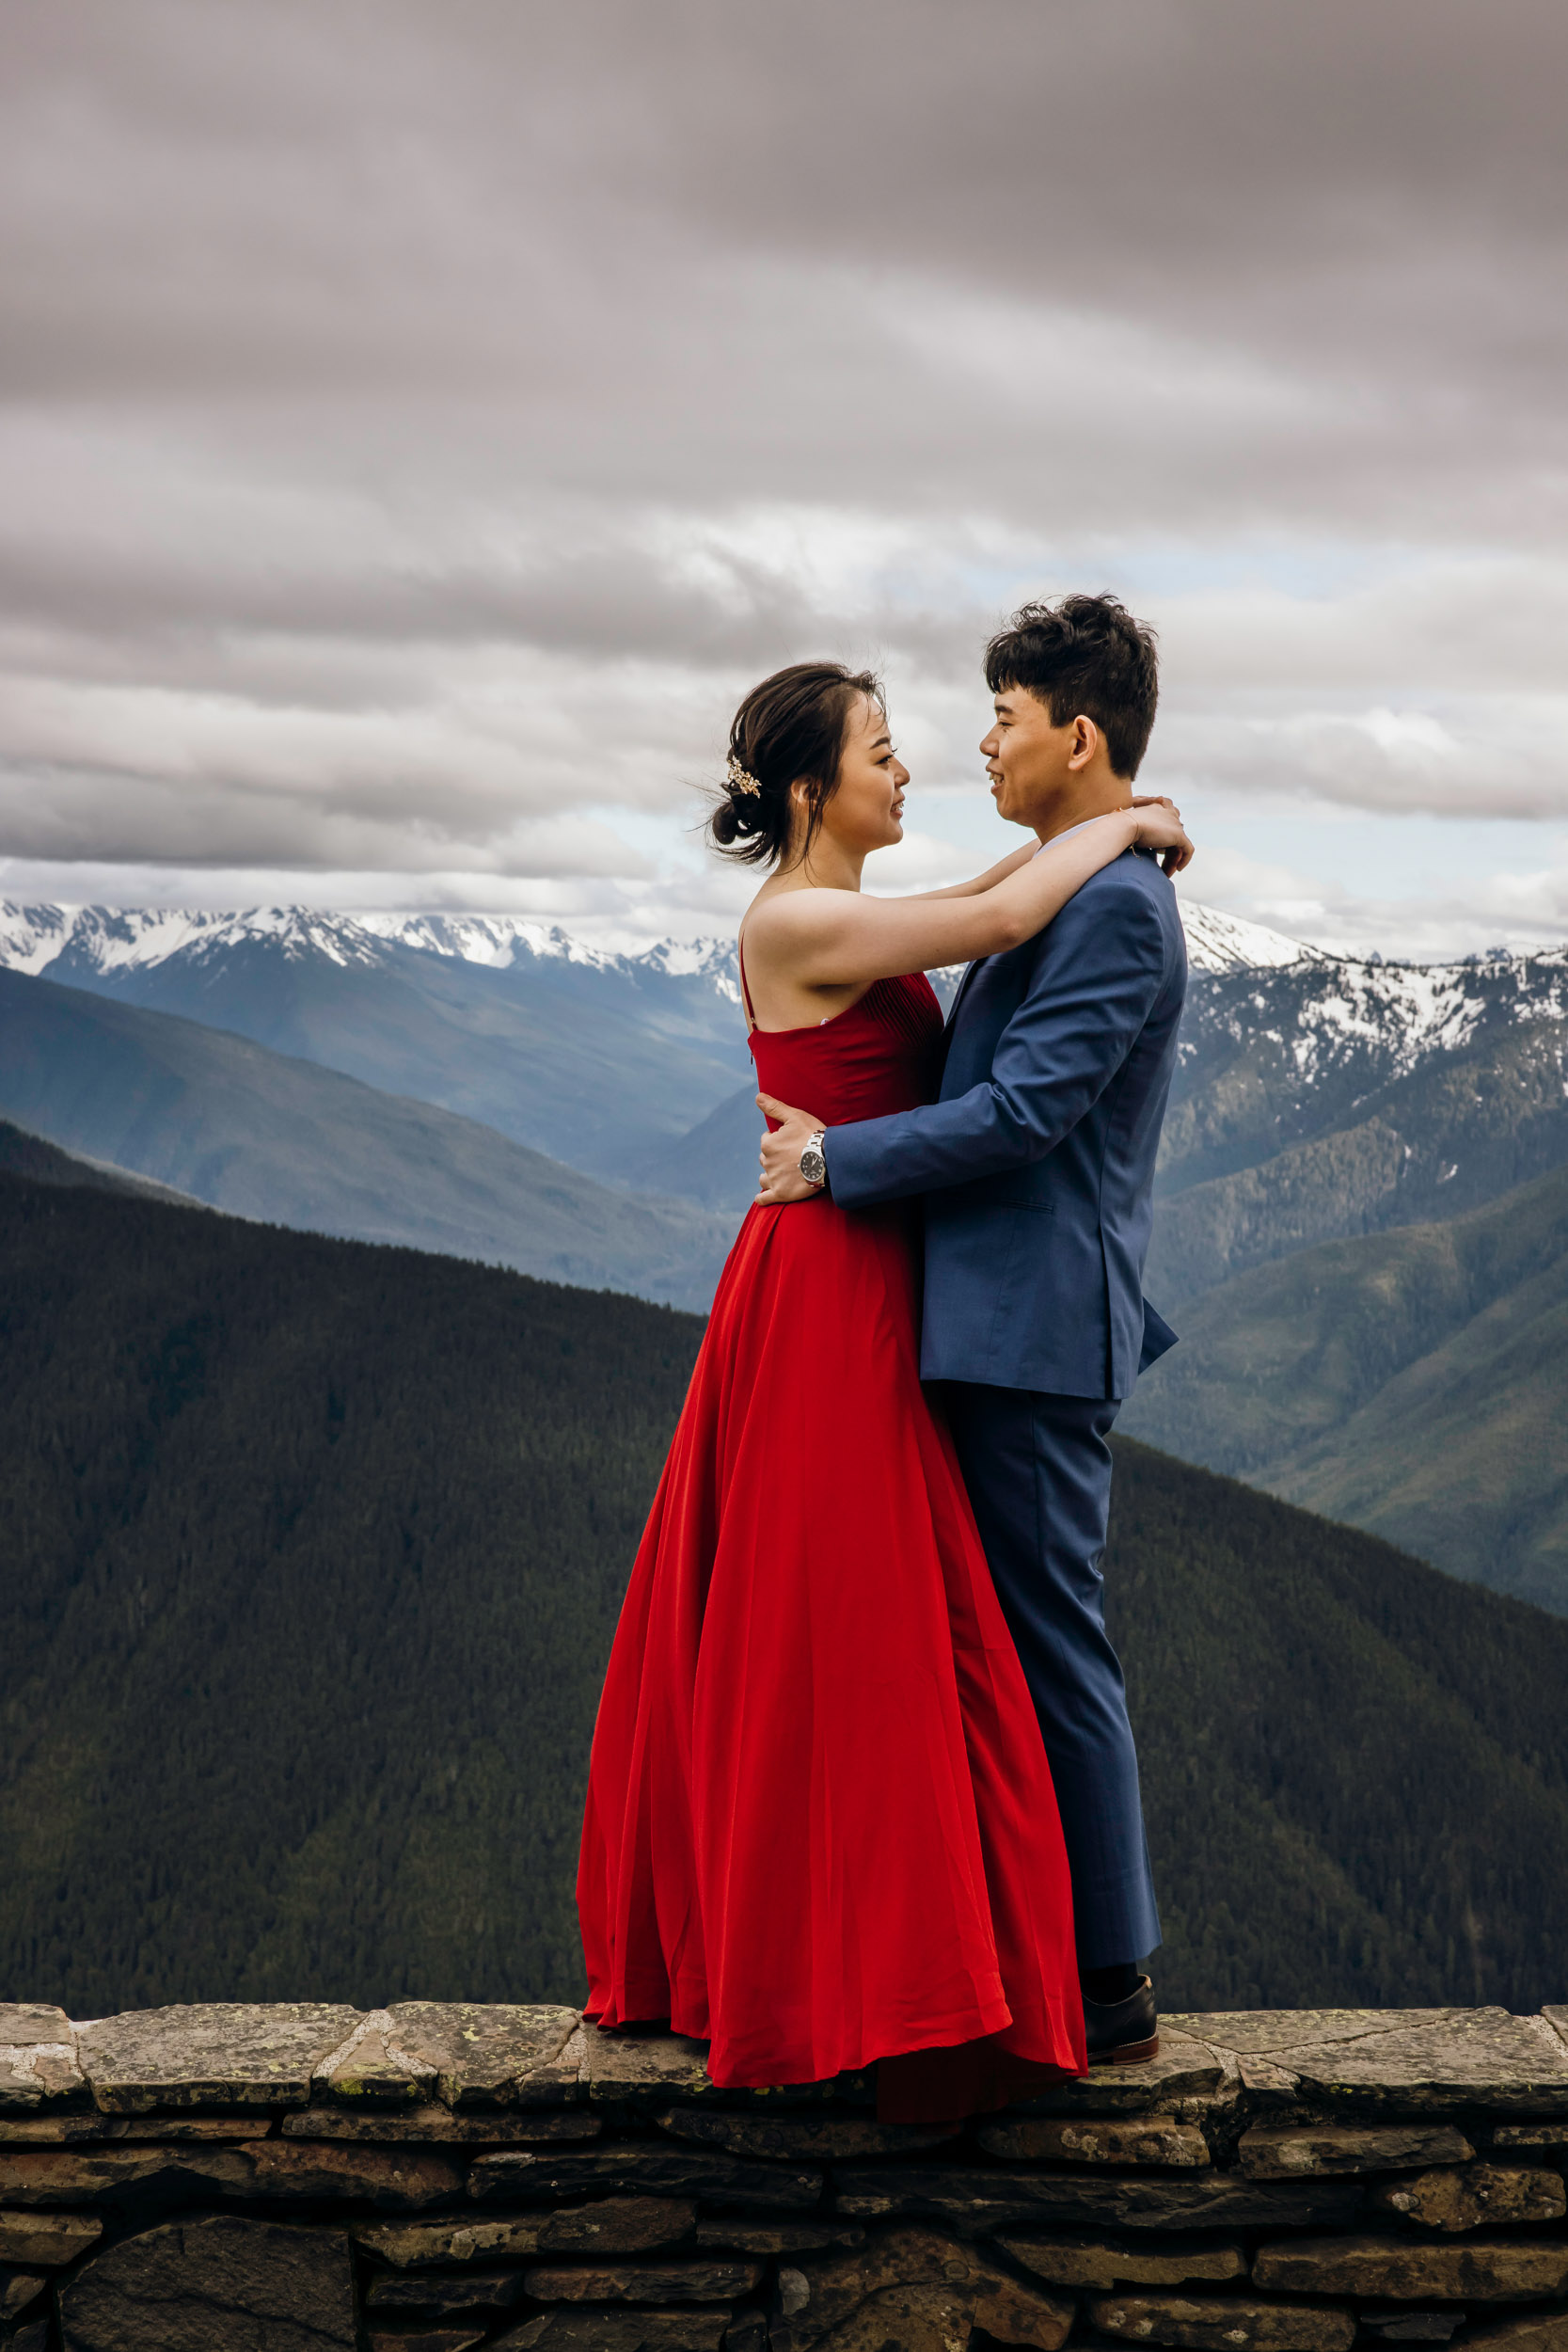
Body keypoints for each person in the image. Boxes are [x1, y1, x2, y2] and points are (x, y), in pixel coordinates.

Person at [577, 645, 1192, 2121]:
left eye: (969, 727)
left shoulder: (860, 908)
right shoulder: (799, 920)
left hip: (881, 1277)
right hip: (831, 1284)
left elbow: (1004, 957)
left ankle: (973, 1966)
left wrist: (1105, 826)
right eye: (884, 747)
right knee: (847, 1635)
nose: (918, 762)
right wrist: (1123, 818)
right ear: (812, 788)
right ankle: (869, 1976)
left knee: (918, 1638)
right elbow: (994, 913)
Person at [757, 596, 1185, 2066]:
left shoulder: (1118, 908)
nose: (973, 743)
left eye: (999, 717)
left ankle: (1109, 1980)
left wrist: (833, 1162)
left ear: (1075, 735)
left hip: (1026, 1331)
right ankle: (995, 1961)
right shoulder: (1089, 881)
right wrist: (1126, 822)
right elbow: (998, 902)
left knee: (1050, 1648)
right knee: (980, 1652)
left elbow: (1021, 1116)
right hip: (959, 1318)